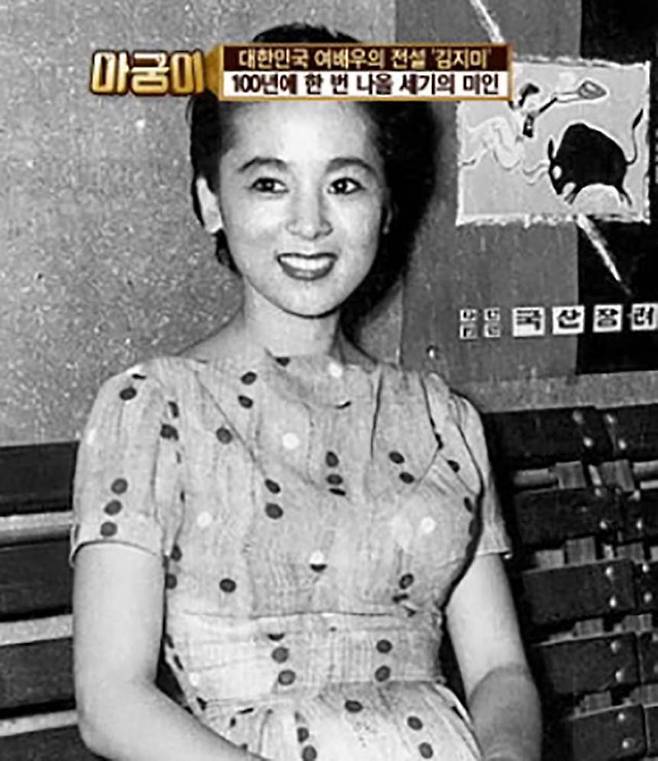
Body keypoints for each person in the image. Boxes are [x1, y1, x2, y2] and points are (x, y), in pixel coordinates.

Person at [71, 23, 541, 761]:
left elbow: (498, 670)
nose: (311, 222)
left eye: (345, 183)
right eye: (269, 182)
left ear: (387, 206)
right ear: (210, 201)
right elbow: (110, 703)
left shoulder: (441, 420)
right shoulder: (154, 408)